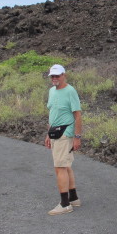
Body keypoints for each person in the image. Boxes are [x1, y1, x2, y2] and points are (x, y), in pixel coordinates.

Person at [44, 64, 83, 215]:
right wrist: (49, 134)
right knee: (65, 166)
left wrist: (77, 137)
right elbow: (53, 113)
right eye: (52, 76)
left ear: (64, 75)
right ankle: (73, 198)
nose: (54, 78)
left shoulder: (70, 91)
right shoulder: (52, 91)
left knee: (60, 167)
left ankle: (65, 204)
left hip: (65, 134)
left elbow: (77, 115)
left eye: (57, 76)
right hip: (55, 133)